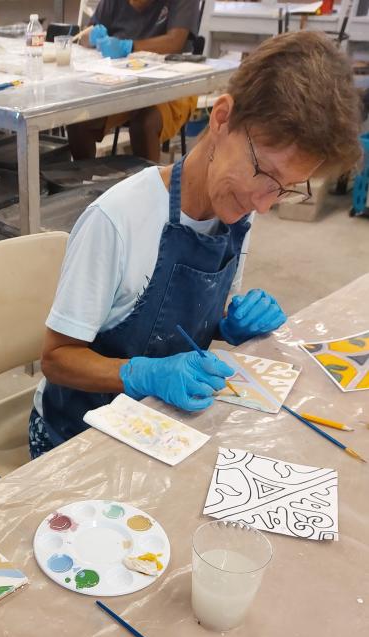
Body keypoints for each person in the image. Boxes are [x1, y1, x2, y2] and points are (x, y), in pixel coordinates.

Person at [30, 32, 362, 458]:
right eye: (265, 174)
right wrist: (141, 373)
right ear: (222, 118)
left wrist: (228, 322)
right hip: (76, 436)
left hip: (165, 425)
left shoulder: (239, 207)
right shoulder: (117, 221)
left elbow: (197, 308)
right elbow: (57, 359)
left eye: (286, 189)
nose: (263, 203)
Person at [68, 0, 200, 162]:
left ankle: (150, 185)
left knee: (145, 124)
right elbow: (86, 34)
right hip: (121, 82)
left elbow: (175, 42)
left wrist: (129, 46)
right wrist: (91, 37)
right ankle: (81, 183)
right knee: (78, 118)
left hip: (174, 84)